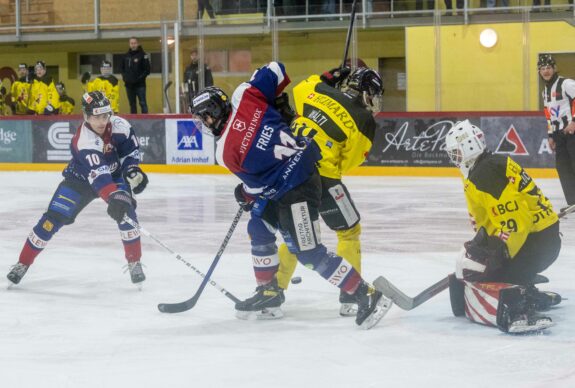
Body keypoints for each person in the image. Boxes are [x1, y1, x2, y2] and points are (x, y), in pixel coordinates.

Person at [190, 62, 392, 329]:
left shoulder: (224, 152)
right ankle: (269, 293)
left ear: (212, 113)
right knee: (258, 226)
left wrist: (245, 195)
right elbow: (276, 69)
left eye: (202, 118)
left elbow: (255, 190)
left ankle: (366, 294)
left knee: (307, 250)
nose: (202, 124)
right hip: (296, 174)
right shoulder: (244, 95)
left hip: (299, 187)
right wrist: (271, 103)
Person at [7, 91, 149, 287]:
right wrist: (114, 197)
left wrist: (132, 169)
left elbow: (130, 153)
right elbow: (99, 176)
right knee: (50, 221)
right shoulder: (83, 140)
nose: (101, 121)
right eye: (96, 116)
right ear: (86, 116)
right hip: (79, 180)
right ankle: (23, 263)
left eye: (105, 115)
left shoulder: (121, 126)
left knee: (128, 216)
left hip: (114, 177)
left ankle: (134, 262)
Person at [275, 66, 383, 317]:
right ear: (368, 93)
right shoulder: (364, 119)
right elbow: (349, 162)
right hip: (323, 179)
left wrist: (328, 78)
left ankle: (273, 289)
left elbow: (301, 87)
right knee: (349, 231)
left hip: (287, 172)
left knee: (296, 236)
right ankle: (351, 295)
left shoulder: (316, 89)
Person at [444, 120, 562, 334]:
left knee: (495, 275)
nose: (455, 158)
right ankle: (525, 287)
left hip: (537, 242)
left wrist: (501, 253)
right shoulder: (483, 167)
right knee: (487, 268)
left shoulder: (485, 173)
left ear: (470, 147)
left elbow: (517, 222)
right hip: (539, 238)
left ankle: (521, 305)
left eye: (457, 152)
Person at [539, 54, 575, 208]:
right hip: (559, 135)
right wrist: (550, 135)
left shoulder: (566, 83)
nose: (546, 71)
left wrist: (574, 121)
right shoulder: (545, 92)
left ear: (554, 69)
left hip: (572, 132)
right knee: (563, 167)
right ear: (539, 72)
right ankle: (573, 201)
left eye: (548, 68)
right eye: (542, 68)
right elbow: (549, 114)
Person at [120, 37, 150, 114]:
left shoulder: (143, 55)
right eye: (131, 43)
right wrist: (125, 78)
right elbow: (121, 69)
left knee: (143, 103)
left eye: (135, 43)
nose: (133, 45)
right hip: (129, 85)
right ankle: (134, 122)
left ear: (138, 44)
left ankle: (146, 120)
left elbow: (147, 70)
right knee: (132, 104)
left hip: (140, 85)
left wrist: (139, 79)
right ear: (129, 44)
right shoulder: (125, 56)